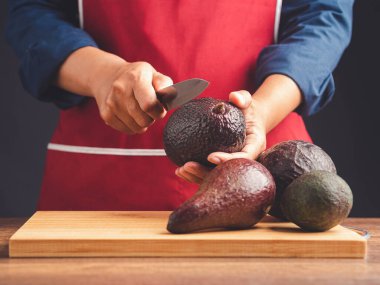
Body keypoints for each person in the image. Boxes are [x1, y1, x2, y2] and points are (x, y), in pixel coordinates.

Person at [6, 0, 354, 210]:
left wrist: (261, 111)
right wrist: (101, 74)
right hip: (98, 182)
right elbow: (33, 12)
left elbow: (322, 17)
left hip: (265, 171)